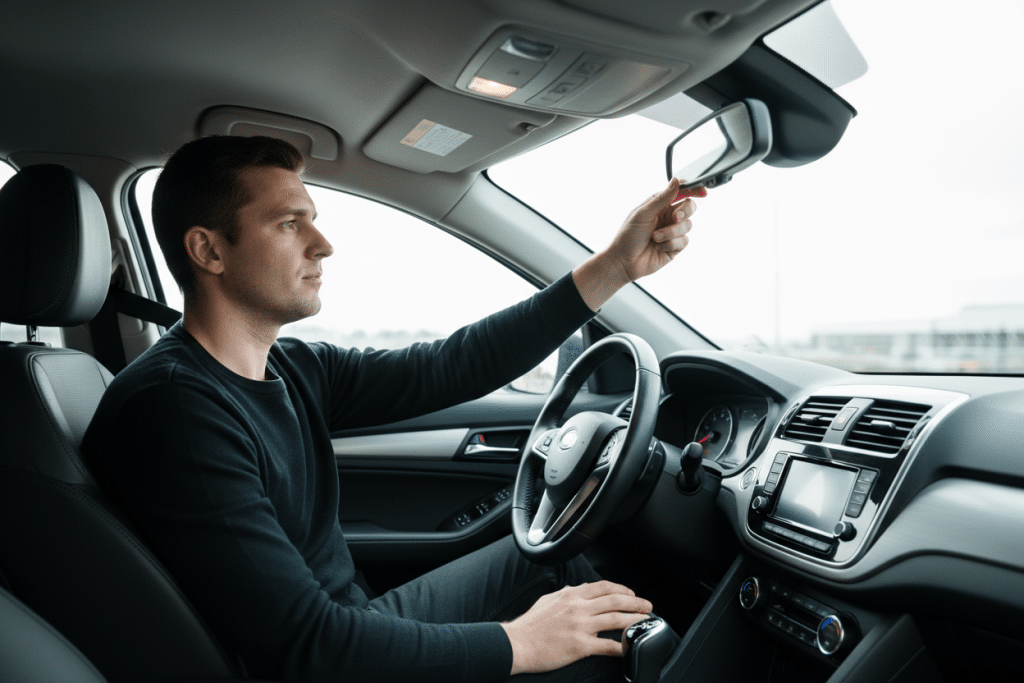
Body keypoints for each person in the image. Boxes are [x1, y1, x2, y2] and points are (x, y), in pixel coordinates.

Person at [83, 135, 706, 682]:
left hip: (350, 624)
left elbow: (453, 365)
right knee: (587, 642)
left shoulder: (292, 366)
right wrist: (520, 643)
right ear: (208, 251)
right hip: (320, 658)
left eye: (313, 220)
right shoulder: (178, 411)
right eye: (289, 224)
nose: (322, 244)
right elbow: (307, 647)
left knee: (557, 564)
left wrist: (617, 266)